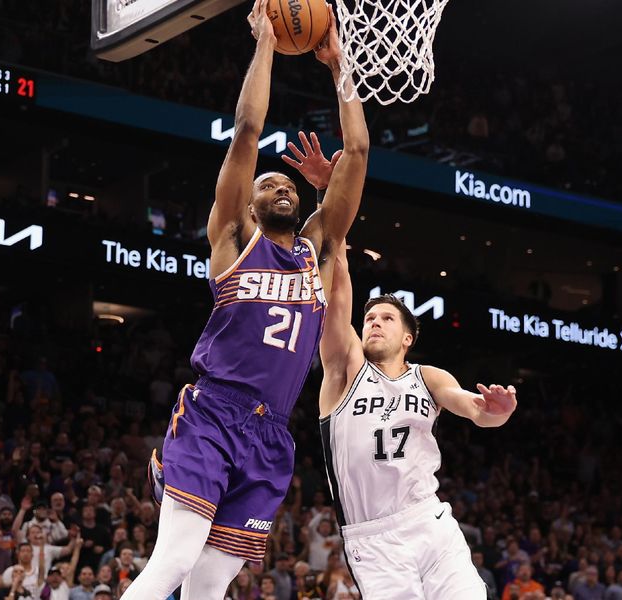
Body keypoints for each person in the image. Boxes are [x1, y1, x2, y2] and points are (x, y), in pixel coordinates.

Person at [124, 1, 367, 599]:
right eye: (268, 183)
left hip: (272, 437)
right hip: (213, 413)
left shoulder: (321, 251)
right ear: (248, 203)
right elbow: (248, 133)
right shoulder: (234, 239)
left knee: (208, 584)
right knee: (174, 558)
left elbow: (356, 156)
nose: (280, 186)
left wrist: (342, 69)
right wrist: (264, 41)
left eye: (288, 184)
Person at [283, 133, 516, 599]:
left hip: (428, 520)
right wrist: (328, 198)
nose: (373, 322)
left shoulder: (428, 377)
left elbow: (474, 410)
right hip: (373, 536)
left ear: (407, 337)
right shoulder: (344, 368)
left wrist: (498, 411)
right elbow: (337, 282)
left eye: (386, 318)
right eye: (369, 317)